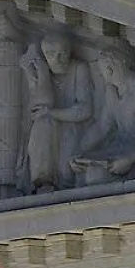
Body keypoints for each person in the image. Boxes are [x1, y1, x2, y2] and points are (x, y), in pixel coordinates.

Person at [70, 46, 135, 185]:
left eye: (104, 70)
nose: (103, 75)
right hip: (119, 148)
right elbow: (103, 126)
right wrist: (79, 151)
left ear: (112, 68)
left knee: (95, 176)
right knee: (80, 173)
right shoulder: (112, 90)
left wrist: (130, 160)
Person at [22, 30, 93, 193]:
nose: (57, 59)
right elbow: (34, 111)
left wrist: (51, 112)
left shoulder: (78, 69)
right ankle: (42, 182)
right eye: (51, 54)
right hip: (48, 130)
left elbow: (86, 110)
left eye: (63, 54)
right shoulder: (41, 71)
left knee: (66, 172)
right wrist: (35, 74)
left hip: (72, 127)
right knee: (43, 125)